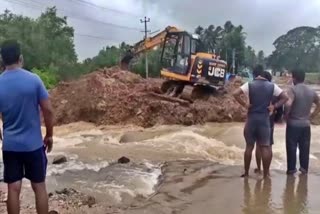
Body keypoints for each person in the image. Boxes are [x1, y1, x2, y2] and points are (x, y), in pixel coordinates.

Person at [0, 40, 54, 214]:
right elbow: (48, 110)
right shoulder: (34, 80)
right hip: (33, 145)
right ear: (20, 58)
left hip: (10, 146)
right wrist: (49, 135)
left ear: (2, 59)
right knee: (39, 187)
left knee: (13, 188)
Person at [233, 65, 288, 178]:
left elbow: (235, 94)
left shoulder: (249, 85)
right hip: (264, 120)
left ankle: (247, 173)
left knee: (249, 146)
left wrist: (245, 105)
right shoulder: (272, 86)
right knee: (265, 147)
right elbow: (285, 97)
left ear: (255, 75)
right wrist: (274, 106)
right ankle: (266, 174)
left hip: (251, 119)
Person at [285, 69, 320, 175]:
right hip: (306, 124)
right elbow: (319, 104)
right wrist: (312, 115)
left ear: (294, 78)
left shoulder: (292, 89)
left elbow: (288, 104)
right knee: (305, 148)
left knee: (291, 147)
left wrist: (285, 116)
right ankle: (304, 170)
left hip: (293, 123)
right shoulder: (311, 91)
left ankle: (291, 170)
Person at [254, 71, 284, 174]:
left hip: (257, 119)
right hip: (269, 121)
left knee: (258, 145)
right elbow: (281, 107)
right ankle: (267, 171)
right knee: (268, 146)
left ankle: (259, 168)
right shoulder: (275, 90)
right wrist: (277, 118)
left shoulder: (256, 89)